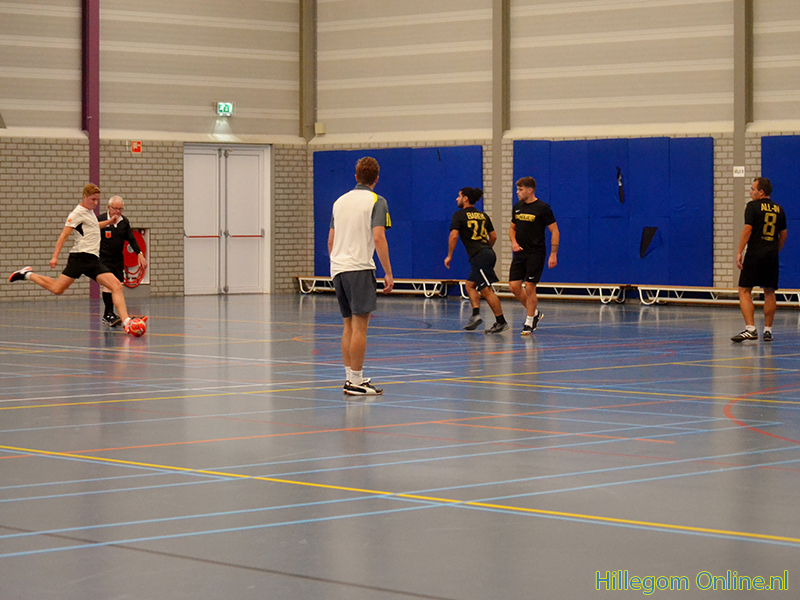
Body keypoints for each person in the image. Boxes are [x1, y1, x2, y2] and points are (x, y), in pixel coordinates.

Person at [8, 183, 145, 336]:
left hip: (93, 260)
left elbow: (93, 226)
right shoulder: (77, 213)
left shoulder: (90, 213)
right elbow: (64, 235)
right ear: (84, 197)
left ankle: (127, 322)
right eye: (93, 199)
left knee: (116, 285)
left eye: (97, 200)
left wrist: (109, 222)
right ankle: (27, 274)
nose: (95, 203)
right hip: (79, 258)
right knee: (57, 289)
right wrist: (55, 256)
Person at [328, 156, 393, 395]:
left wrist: (337, 263)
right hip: (359, 268)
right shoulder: (377, 200)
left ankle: (351, 377)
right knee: (360, 326)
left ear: (356, 177)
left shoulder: (339, 202)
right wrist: (388, 272)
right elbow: (378, 237)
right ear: (377, 179)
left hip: (338, 268)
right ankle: (356, 381)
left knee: (348, 324)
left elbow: (331, 240)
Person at [444, 187, 508, 333]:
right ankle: (475, 314)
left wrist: (449, 255)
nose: (457, 199)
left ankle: (501, 321)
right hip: (486, 253)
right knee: (470, 285)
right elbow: (493, 236)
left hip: (480, 256)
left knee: (486, 290)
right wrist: (486, 248)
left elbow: (454, 236)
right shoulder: (483, 216)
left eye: (459, 196)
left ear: (465, 198)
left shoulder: (459, 215)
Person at [731, 177, 787, 342]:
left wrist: (739, 251)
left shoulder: (752, 206)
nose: (750, 192)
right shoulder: (779, 209)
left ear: (761, 192)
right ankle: (768, 331)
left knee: (744, 290)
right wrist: (775, 250)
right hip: (771, 255)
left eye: (752, 189)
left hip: (755, 253)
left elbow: (747, 230)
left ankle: (750, 329)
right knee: (769, 291)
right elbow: (783, 234)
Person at [508, 177, 559, 335]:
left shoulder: (542, 208)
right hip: (520, 253)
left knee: (530, 287)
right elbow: (512, 229)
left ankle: (529, 321)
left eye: (520, 189)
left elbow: (555, 231)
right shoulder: (517, 207)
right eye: (517, 189)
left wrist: (553, 254)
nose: (517, 192)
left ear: (530, 190)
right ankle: (535, 313)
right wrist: (514, 242)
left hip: (536, 253)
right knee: (514, 286)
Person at [98, 195, 148, 326]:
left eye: (120, 209)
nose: (117, 212)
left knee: (118, 286)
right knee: (109, 285)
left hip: (118, 259)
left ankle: (111, 314)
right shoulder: (101, 220)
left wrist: (139, 254)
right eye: (115, 209)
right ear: (109, 208)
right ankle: (108, 313)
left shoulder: (124, 222)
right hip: (104, 258)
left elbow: (131, 238)